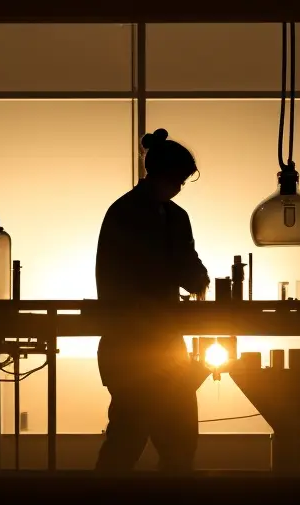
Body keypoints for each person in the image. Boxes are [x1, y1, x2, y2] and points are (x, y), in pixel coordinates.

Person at [94, 128, 210, 472]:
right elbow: (186, 270)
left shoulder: (127, 212)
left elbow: (180, 268)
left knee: (133, 437)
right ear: (170, 175)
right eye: (180, 180)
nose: (180, 187)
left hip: (135, 346)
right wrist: (194, 279)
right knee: (167, 439)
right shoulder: (162, 217)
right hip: (148, 347)